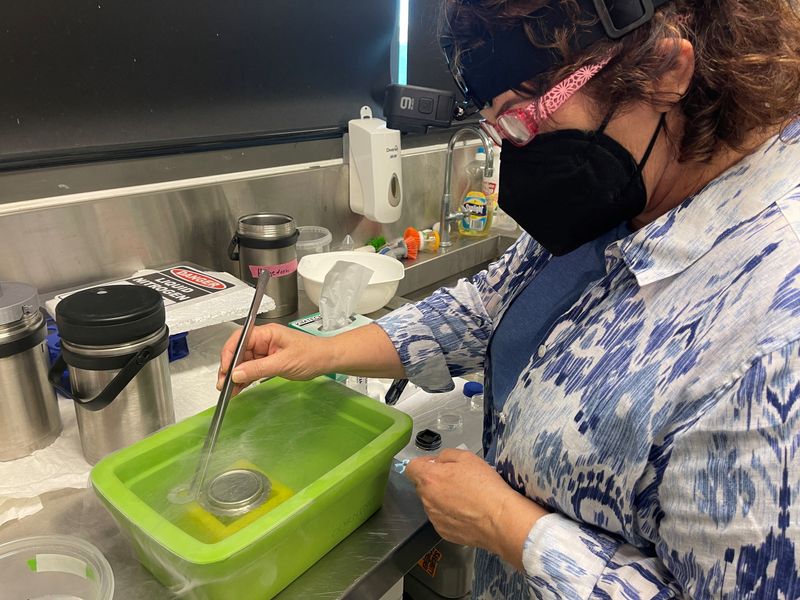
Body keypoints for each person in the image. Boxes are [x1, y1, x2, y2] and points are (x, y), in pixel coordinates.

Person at [219, 0, 800, 596]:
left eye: (525, 119)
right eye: (497, 126)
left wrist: (509, 527)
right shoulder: (626, 189)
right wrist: (322, 351)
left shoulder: (773, 331)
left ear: (662, 71)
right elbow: (488, 306)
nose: (515, 154)